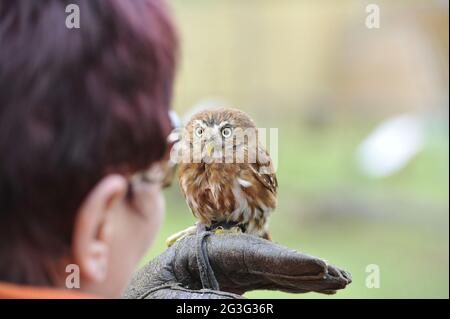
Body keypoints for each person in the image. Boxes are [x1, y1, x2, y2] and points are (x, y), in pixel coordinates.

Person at [0, 0, 351, 299]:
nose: (208, 145)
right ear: (97, 225)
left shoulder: (253, 159)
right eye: (161, 174)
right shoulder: (198, 165)